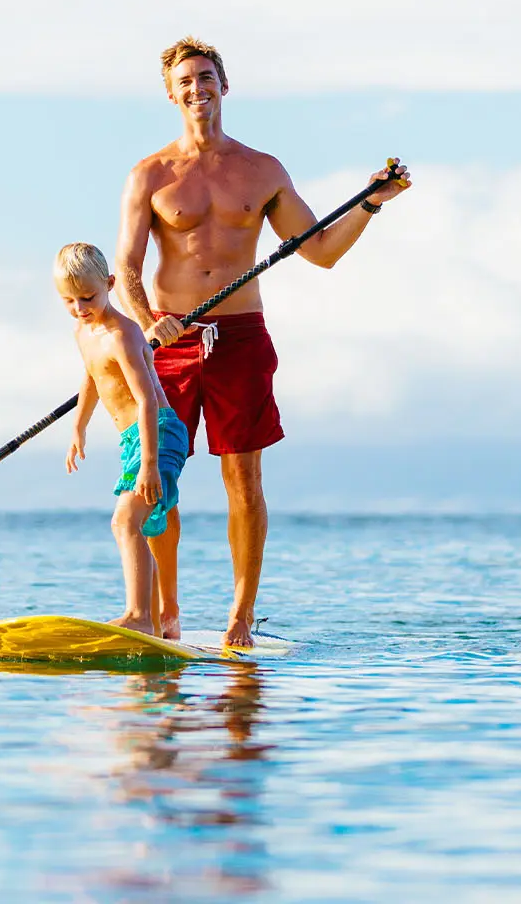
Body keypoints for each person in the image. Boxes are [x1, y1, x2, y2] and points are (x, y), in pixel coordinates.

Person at [115, 36, 411, 648]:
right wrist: (147, 321)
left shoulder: (262, 170)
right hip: (168, 340)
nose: (198, 89)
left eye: (206, 77)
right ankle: (165, 615)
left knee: (244, 478)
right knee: (158, 479)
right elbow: (125, 268)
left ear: (225, 84)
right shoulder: (150, 175)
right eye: (186, 81)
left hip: (242, 339)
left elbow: (321, 251)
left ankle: (240, 618)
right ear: (171, 94)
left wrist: (371, 206)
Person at [54, 242, 190, 636]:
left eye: (88, 297)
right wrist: (78, 426)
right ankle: (150, 622)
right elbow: (92, 378)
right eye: (69, 300)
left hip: (159, 434)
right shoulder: (84, 331)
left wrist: (149, 464)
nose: (80, 307)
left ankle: (139, 615)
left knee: (125, 521)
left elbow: (147, 399)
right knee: (140, 525)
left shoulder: (123, 335)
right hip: (134, 439)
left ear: (110, 284)